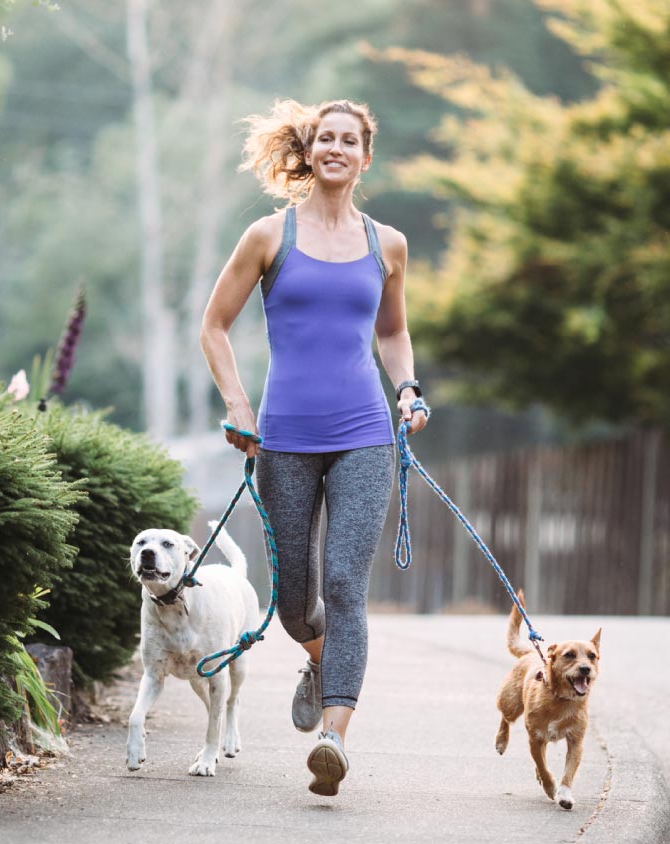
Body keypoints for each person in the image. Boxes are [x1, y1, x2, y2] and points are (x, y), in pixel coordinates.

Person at [199, 98, 428, 797]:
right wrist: (239, 406)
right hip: (285, 438)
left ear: (365, 156)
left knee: (344, 587)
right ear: (310, 150)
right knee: (296, 602)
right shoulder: (270, 236)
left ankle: (333, 738)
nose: (335, 147)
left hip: (363, 434)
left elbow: (392, 332)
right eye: (323, 137)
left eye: (348, 140)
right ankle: (320, 658)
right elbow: (214, 326)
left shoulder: (387, 245)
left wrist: (408, 389)